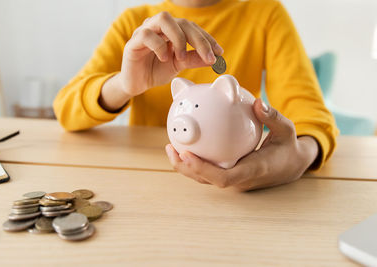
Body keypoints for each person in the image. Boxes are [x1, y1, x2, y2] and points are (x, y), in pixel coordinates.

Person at [53, 0, 339, 191]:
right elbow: (65, 108)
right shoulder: (136, 23)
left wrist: (300, 156)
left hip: (238, 195)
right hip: (148, 184)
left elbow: (308, 111)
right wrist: (124, 84)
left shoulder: (265, 12)